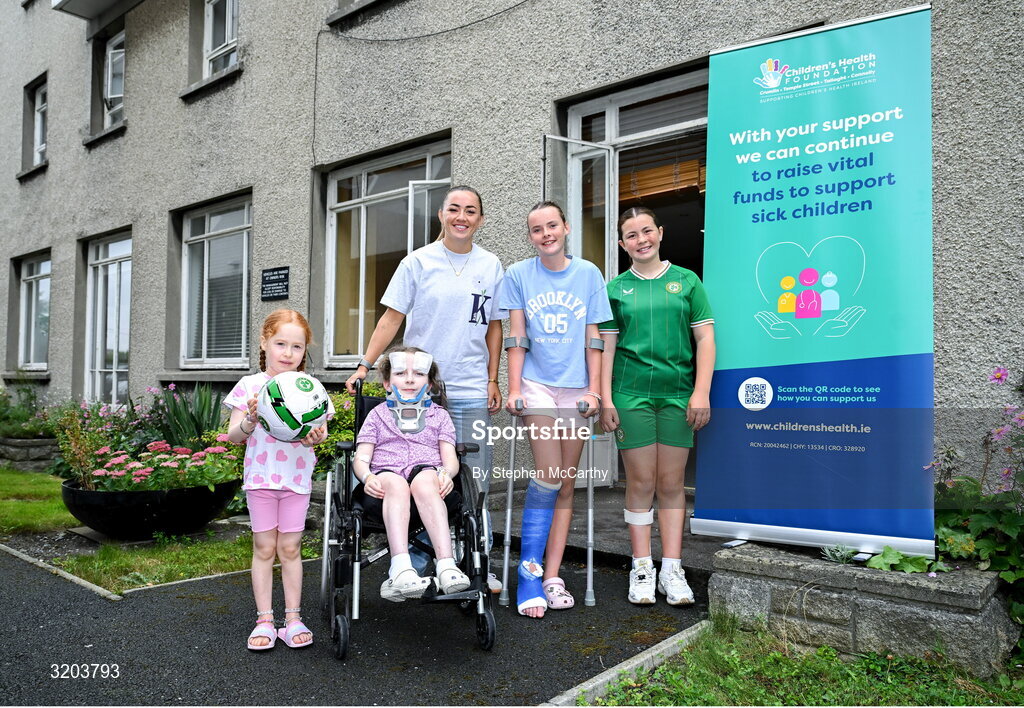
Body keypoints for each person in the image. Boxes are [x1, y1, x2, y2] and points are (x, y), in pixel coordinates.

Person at [346, 185, 506, 586]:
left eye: (471, 210)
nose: (462, 217)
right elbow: (391, 320)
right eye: (454, 209)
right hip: (420, 389)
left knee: (472, 482)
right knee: (412, 468)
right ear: (441, 214)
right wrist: (365, 365)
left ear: (480, 220)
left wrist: (492, 378)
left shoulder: (491, 265)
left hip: (470, 387)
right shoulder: (417, 262)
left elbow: (495, 327)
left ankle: (474, 563)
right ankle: (417, 559)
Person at [598, 206, 715, 606]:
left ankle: (672, 567)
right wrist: (606, 398)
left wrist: (701, 392)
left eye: (647, 231)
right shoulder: (615, 289)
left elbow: (705, 340)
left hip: (679, 395)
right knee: (641, 483)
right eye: (631, 235)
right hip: (631, 397)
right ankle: (642, 565)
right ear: (621, 243)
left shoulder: (687, 281)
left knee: (671, 483)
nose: (641, 240)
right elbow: (606, 348)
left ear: (660, 233)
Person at [502, 201, 612, 618]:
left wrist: (596, 391)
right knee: (549, 475)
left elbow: (595, 338)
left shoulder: (588, 274)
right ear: (529, 236)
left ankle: (551, 575)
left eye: (552, 225)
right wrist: (513, 388)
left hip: (577, 389)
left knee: (566, 483)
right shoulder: (518, 275)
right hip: (537, 386)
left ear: (566, 227)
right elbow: (517, 335)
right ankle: (528, 573)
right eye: (536, 229)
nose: (545, 233)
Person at [226, 308, 333, 650]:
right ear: (265, 342)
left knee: (289, 548)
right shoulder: (250, 386)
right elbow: (233, 435)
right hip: (260, 480)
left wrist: (315, 438)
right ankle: (264, 620)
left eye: (297, 347)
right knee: (264, 547)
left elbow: (321, 431)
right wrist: (251, 420)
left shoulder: (310, 389)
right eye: (280, 344)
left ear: (305, 351)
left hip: (296, 480)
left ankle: (293, 618)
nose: (288, 353)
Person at [352, 346, 471, 600]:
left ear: (428, 385)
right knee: (395, 483)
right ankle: (401, 568)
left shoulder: (440, 417)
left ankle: (446, 565)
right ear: (386, 383)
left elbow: (450, 460)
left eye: (418, 374)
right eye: (400, 373)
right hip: (384, 481)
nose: (408, 379)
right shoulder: (376, 416)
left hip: (428, 479)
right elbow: (361, 458)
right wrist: (367, 477)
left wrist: (446, 475)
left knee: (426, 480)